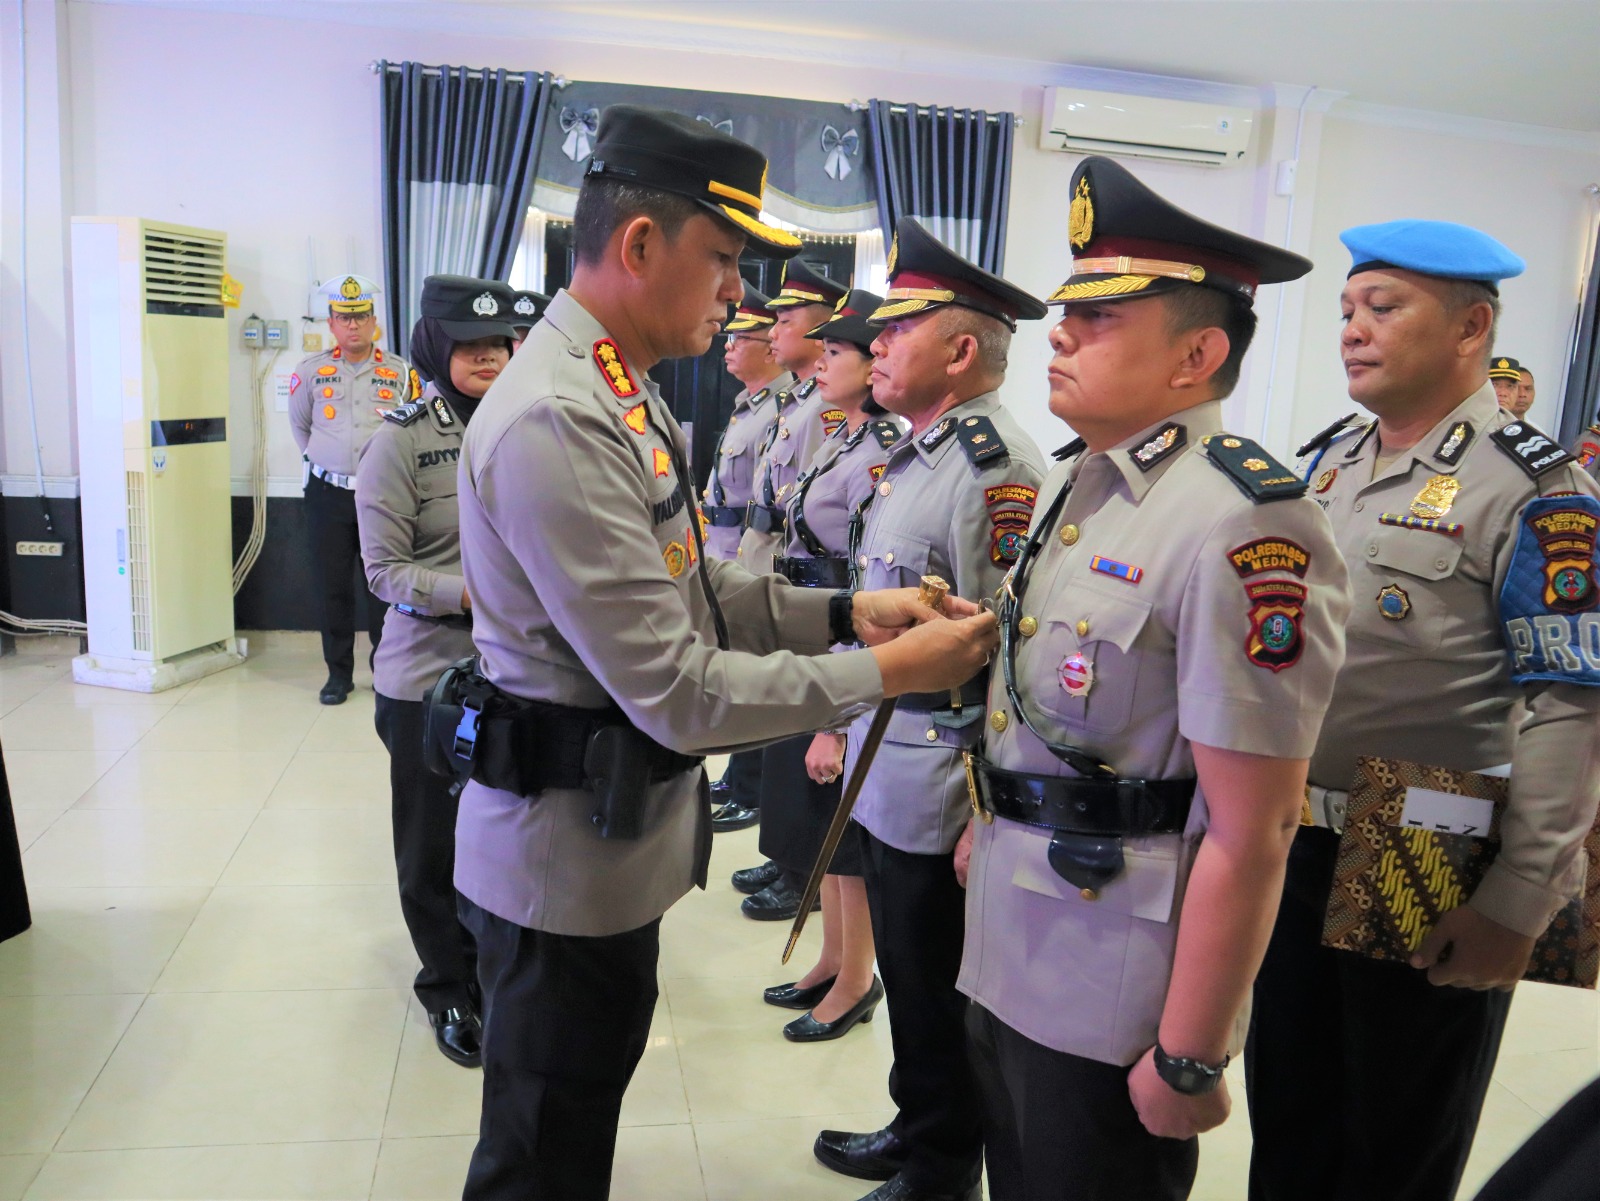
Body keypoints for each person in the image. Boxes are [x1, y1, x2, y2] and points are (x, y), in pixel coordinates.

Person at [450, 105, 999, 1201]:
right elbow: (678, 692)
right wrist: (889, 674)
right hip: (561, 863)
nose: (736, 294)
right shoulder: (559, 415)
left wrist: (850, 614)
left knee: (573, 1120)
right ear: (641, 244)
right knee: (541, 1153)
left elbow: (700, 589)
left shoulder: (616, 382)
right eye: (724, 259)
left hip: (607, 848)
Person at [954, 155, 1350, 1201]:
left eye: (1101, 319)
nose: (1060, 334)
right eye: (1066, 316)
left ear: (1197, 355)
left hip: (1110, 985)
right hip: (1007, 936)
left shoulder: (1243, 519)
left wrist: (1189, 1053)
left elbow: (1255, 824)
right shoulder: (1077, 485)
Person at [1246, 218, 1600, 1201]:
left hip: (1423, 843)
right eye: (1348, 308)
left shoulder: (1538, 486)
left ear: (1469, 326)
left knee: (1394, 1141)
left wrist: (1517, 902)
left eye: (1383, 306)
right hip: (1292, 841)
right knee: (1288, 1118)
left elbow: (1570, 707)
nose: (1352, 329)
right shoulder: (1329, 462)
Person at [811, 218, 1047, 1201]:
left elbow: (1003, 643)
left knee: (935, 979)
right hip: (890, 755)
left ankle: (943, 1167)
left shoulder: (992, 462)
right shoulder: (920, 450)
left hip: (941, 773)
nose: (876, 348)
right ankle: (919, 1128)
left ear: (958, 351)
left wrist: (985, 804)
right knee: (908, 976)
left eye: (898, 330)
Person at [356, 275, 516, 1069]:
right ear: (435, 347)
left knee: (500, 835)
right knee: (431, 844)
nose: (489, 355)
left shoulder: (532, 427)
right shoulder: (401, 440)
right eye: (471, 343)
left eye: (499, 342)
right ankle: (448, 985)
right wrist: (475, 594)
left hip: (518, 673)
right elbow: (384, 571)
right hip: (428, 679)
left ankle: (498, 970)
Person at [752, 291, 903, 1039]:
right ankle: (833, 957)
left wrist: (841, 716)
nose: (825, 361)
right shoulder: (845, 438)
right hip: (816, 632)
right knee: (827, 828)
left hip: (845, 636)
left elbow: (869, 578)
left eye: (838, 353)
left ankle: (856, 976)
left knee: (845, 825)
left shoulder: (880, 453)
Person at [719, 262, 849, 839]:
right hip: (759, 552)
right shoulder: (797, 402)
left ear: (820, 331)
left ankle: (787, 845)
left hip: (798, 568)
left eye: (786, 319)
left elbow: (822, 508)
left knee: (786, 696)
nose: (774, 330)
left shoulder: (824, 407)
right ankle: (769, 819)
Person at [288, 274, 419, 704]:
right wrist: (332, 466)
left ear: (374, 321)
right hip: (328, 495)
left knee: (382, 586)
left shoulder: (399, 372)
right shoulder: (309, 372)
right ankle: (337, 674)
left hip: (383, 495)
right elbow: (301, 428)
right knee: (332, 586)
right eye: (344, 318)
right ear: (331, 322)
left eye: (361, 316)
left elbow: (413, 430)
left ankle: (385, 669)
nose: (353, 326)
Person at [702, 284, 792, 837]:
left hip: (751, 555)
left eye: (743, 337)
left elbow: (769, 500)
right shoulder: (751, 405)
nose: (729, 346)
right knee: (736, 668)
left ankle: (751, 786)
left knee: (755, 673)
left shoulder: (785, 406)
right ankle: (739, 777)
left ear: (770, 347)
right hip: (726, 547)